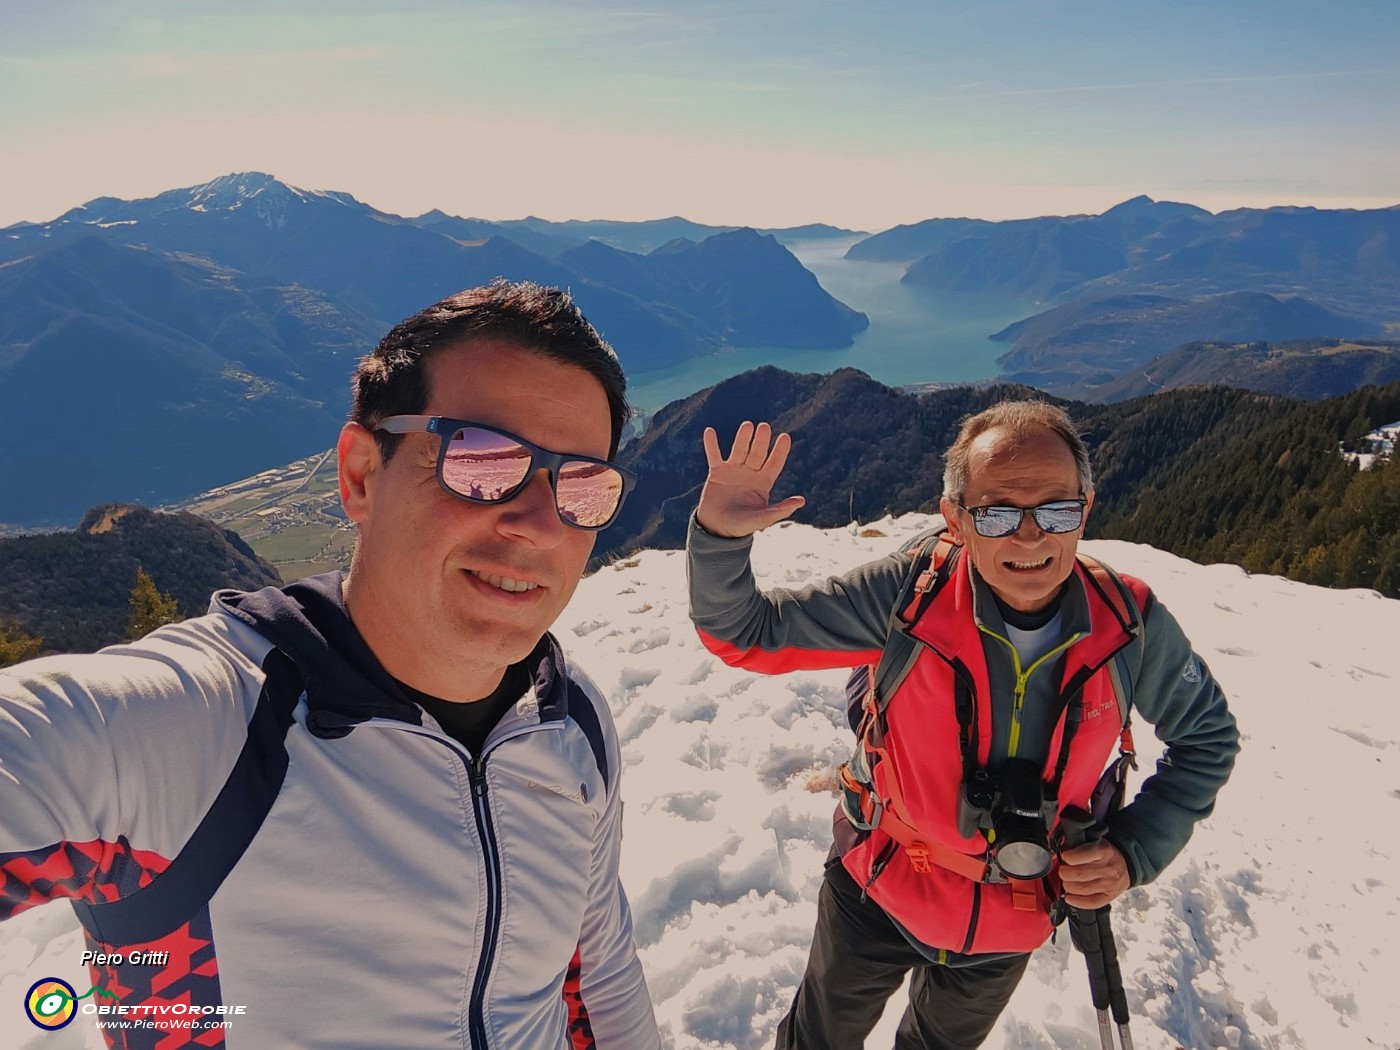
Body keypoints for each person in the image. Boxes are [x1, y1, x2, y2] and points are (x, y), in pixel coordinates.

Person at [0, 281, 661, 1049]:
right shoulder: (193, 732)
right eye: (482, 460)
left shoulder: (569, 720)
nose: (541, 526)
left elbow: (598, 969)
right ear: (361, 475)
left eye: (581, 483)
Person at [686, 402, 1239, 1049]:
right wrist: (720, 538)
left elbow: (1207, 740)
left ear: (1085, 510)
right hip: (877, 886)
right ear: (956, 517)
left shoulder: (1127, 625)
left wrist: (1133, 851)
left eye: (1056, 511)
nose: (1029, 537)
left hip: (1013, 915)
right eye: (998, 513)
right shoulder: (913, 594)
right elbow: (749, 632)